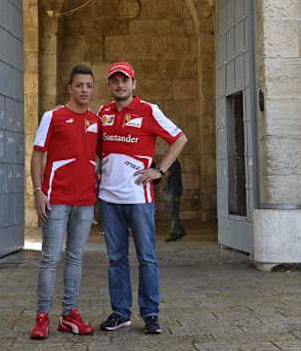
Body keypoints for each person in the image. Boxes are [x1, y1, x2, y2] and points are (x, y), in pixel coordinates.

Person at [97, 61, 187, 335]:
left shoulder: (149, 110)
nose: (120, 85)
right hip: (109, 199)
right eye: (115, 80)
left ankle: (150, 314)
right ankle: (121, 313)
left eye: (125, 80)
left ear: (134, 84)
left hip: (139, 197)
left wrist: (159, 170)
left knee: (146, 257)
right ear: (110, 85)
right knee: (116, 258)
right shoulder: (103, 112)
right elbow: (97, 149)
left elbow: (180, 138)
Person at [29, 64, 101, 340]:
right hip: (56, 199)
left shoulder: (96, 121)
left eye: (89, 86)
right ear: (69, 87)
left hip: (85, 201)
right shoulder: (53, 116)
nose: (84, 90)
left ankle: (69, 314)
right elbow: (38, 155)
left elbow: (99, 157)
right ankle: (42, 317)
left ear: (93, 89)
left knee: (76, 257)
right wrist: (38, 191)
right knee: (50, 258)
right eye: (79, 85)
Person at [163, 158, 187, 242]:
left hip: (174, 191)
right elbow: (168, 177)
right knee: (172, 212)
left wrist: (161, 168)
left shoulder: (174, 163)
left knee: (173, 213)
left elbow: (168, 174)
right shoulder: (170, 163)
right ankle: (181, 230)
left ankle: (174, 233)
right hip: (170, 190)